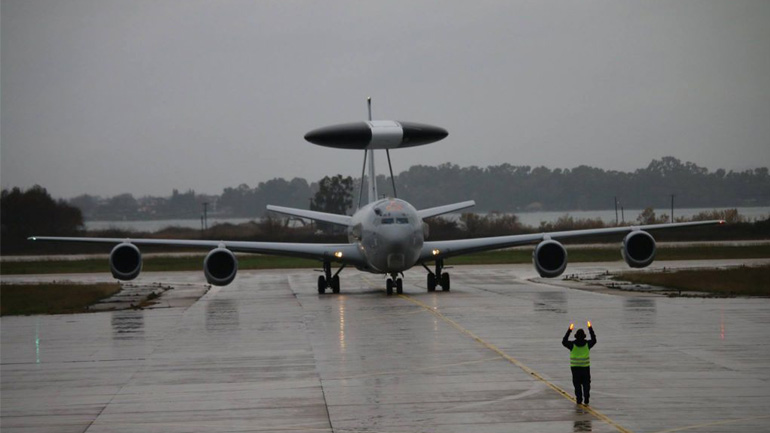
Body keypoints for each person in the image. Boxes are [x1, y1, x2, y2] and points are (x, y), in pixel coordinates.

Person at [563, 322, 597, 405]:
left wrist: (569, 330)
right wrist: (590, 328)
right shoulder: (587, 344)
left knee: (577, 384)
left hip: (575, 368)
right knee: (586, 384)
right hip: (585, 367)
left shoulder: (572, 345)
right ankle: (586, 398)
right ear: (584, 336)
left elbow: (564, 341)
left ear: (576, 336)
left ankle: (579, 399)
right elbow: (594, 340)